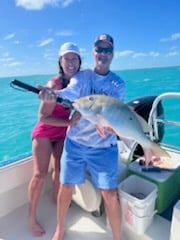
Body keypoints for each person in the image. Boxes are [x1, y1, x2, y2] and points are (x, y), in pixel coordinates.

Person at [39, 33, 125, 240]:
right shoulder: (81, 77)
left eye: (107, 50)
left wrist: (114, 128)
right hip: (75, 145)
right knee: (65, 187)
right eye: (99, 49)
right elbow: (69, 92)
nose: (103, 54)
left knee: (111, 195)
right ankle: (60, 229)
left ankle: (117, 237)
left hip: (104, 147)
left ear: (112, 54)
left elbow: (115, 114)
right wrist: (53, 95)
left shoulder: (118, 84)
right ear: (93, 52)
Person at [28, 42, 82, 237]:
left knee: (60, 169)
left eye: (74, 58)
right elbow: (42, 117)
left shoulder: (80, 83)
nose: (71, 62)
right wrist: (69, 123)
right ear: (60, 62)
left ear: (79, 61)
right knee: (40, 174)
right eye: (66, 58)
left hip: (61, 133)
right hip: (45, 131)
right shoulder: (53, 85)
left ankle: (55, 199)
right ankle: (31, 217)